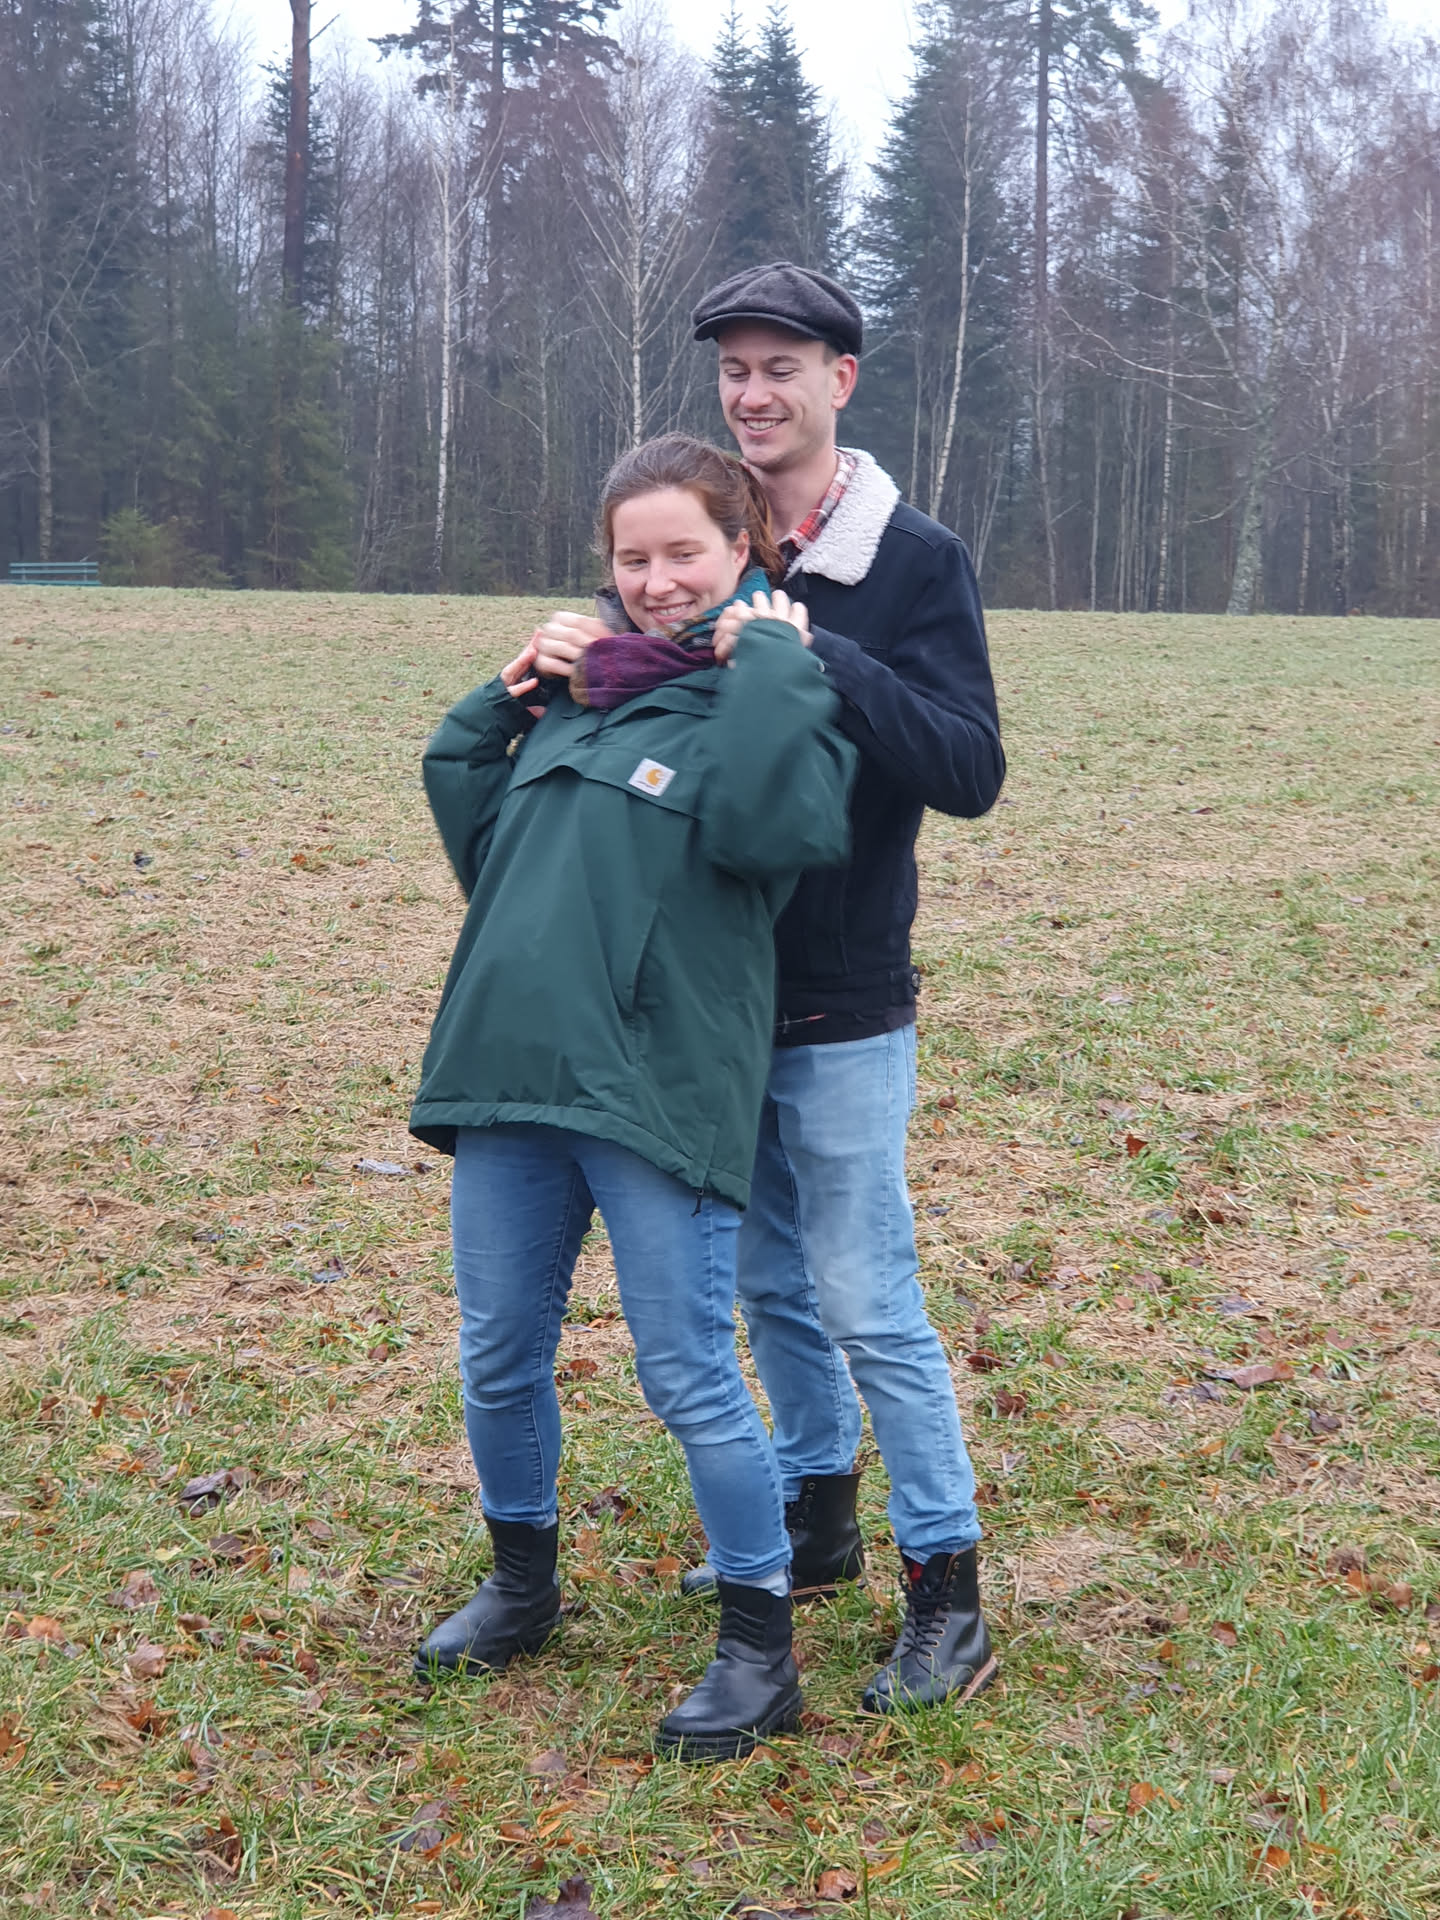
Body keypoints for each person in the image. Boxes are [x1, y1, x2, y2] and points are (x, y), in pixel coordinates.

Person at [407, 434, 855, 1765]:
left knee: (687, 1373)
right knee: (497, 1355)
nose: (657, 582)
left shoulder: (773, 694)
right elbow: (476, 828)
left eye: (684, 554)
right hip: (511, 1075)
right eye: (632, 557)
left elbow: (778, 833)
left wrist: (769, 663)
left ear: (743, 552)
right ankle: (522, 1587)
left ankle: (759, 1648)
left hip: (654, 1087)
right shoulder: (581, 697)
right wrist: (505, 695)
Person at [685, 263, 1007, 1714]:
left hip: (845, 996)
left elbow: (969, 766)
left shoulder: (913, 560)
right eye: (735, 370)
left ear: (842, 380)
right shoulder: (706, 530)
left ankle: (950, 1593)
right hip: (717, 990)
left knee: (870, 1299)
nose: (754, 394)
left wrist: (826, 653)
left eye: (781, 368)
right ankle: (816, 1525)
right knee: (768, 1284)